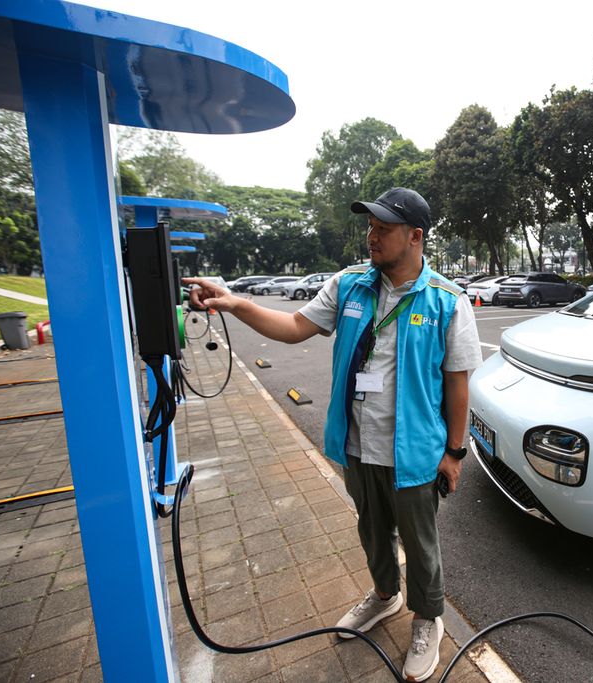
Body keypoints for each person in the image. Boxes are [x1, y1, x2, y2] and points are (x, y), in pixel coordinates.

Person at [183, 187, 481, 682]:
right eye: (370, 226)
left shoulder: (447, 302)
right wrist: (234, 304)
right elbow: (294, 326)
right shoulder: (350, 285)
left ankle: (428, 618)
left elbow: (457, 386)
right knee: (371, 531)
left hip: (416, 454)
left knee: (420, 543)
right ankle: (386, 597)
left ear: (415, 236)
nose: (372, 236)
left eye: (383, 228)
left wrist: (455, 453)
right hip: (357, 446)